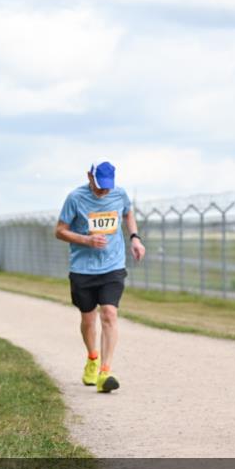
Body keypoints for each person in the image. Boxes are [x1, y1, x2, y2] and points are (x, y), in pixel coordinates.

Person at [55, 159, 145, 393]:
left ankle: (106, 371)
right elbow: (60, 231)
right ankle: (92, 358)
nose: (105, 190)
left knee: (109, 313)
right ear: (89, 177)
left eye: (108, 186)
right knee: (88, 320)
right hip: (83, 269)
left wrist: (135, 237)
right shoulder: (75, 198)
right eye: (100, 185)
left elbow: (128, 213)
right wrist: (86, 239)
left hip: (112, 265)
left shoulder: (119, 194)